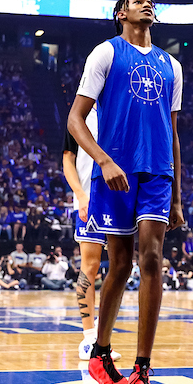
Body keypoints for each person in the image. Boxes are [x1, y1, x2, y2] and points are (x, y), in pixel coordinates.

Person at [68, 0, 184, 384]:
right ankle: (100, 354)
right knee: (118, 264)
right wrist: (103, 161)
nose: (146, 4)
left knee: (151, 258)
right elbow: (75, 119)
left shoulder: (172, 65)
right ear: (121, 14)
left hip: (157, 172)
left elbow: (172, 133)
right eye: (137, 1)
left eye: (150, 1)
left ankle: (142, 368)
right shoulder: (105, 53)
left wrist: (177, 197)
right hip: (114, 171)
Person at [61, 104, 119, 361]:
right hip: (91, 198)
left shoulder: (120, 107)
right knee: (90, 265)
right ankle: (88, 337)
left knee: (121, 266)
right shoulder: (80, 113)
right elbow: (67, 160)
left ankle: (104, 339)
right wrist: (80, 195)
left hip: (120, 194)